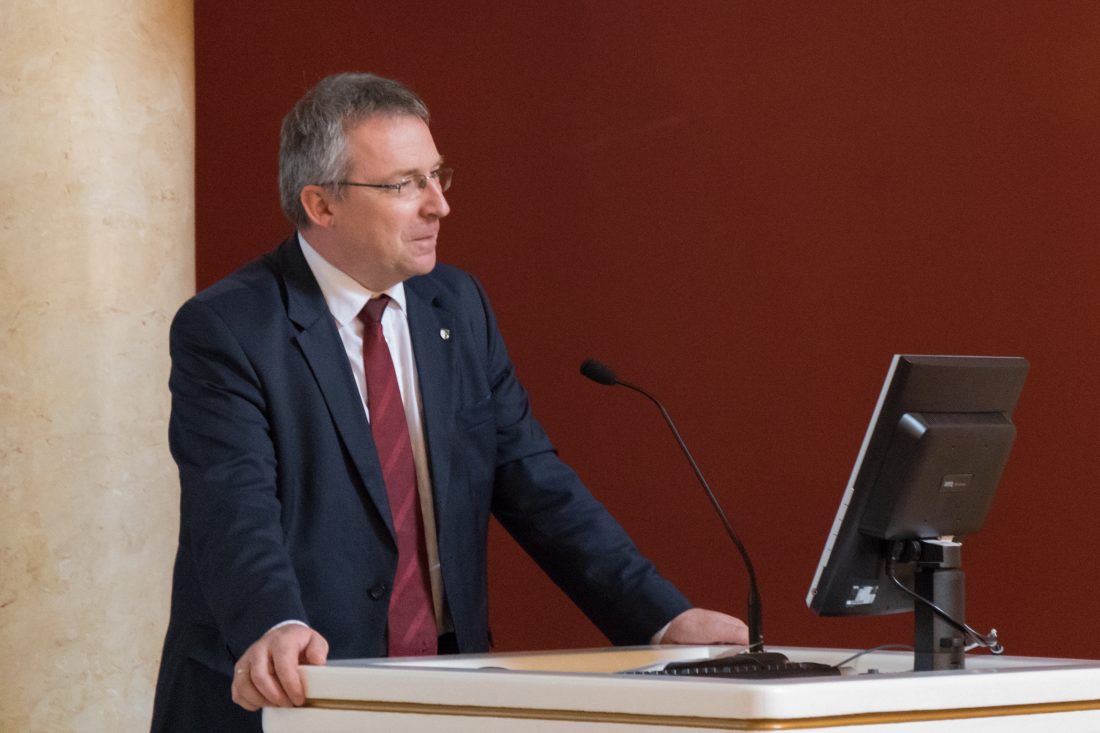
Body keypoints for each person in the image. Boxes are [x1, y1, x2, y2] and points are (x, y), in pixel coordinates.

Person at [150, 72, 748, 732]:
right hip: (289, 693)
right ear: (321, 205)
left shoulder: (457, 307)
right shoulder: (229, 328)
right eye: (405, 184)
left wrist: (663, 617)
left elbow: (536, 484)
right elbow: (232, 506)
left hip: (442, 693)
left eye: (438, 176)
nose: (438, 205)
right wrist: (275, 624)